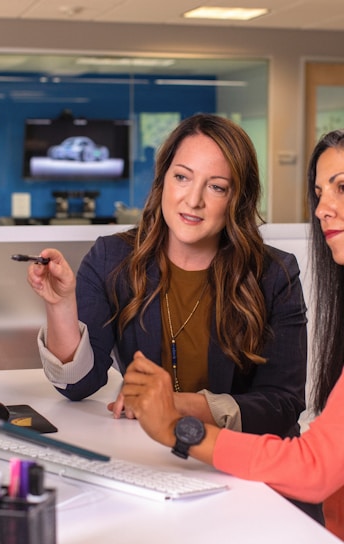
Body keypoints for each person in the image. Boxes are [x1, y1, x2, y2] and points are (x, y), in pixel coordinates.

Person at [28, 113, 320, 521]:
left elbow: (283, 404)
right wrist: (60, 305)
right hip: (155, 469)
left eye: (216, 187)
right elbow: (78, 385)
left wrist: (177, 407)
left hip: (248, 475)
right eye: (182, 177)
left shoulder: (274, 273)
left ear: (238, 199)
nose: (193, 200)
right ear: (163, 178)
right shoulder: (112, 258)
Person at [121, 128, 344, 540]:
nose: (323, 210)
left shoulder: (274, 274)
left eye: (342, 188)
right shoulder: (114, 258)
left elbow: (312, 466)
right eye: (319, 193)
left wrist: (178, 427)